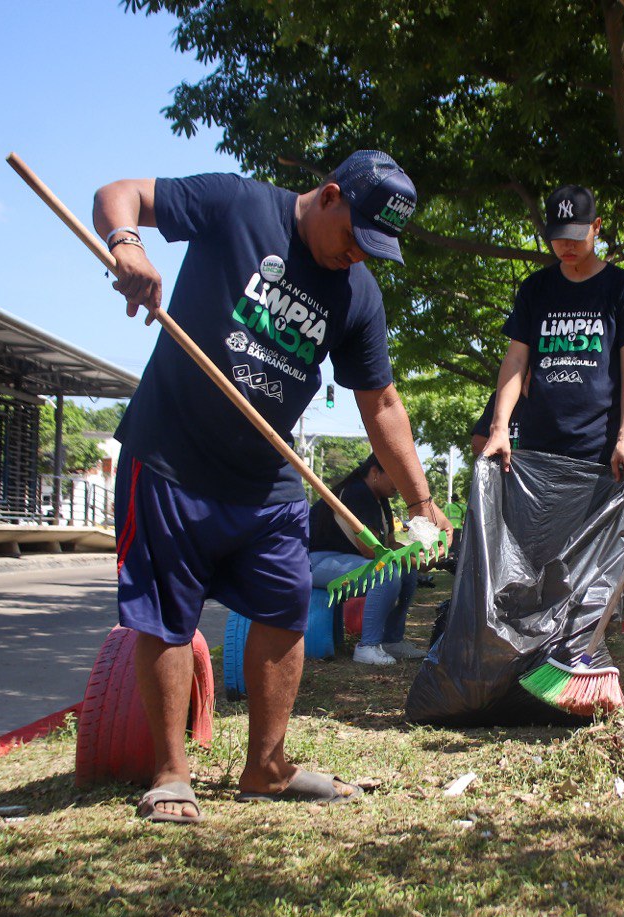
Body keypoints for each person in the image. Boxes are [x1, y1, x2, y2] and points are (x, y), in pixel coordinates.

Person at [94, 150, 450, 822]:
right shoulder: (236, 204)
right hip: (172, 455)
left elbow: (382, 405)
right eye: (354, 236)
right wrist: (128, 246)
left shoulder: (358, 293)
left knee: (286, 605)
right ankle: (172, 773)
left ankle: (266, 767)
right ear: (330, 194)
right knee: (170, 617)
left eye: (374, 248)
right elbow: (120, 193)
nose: (357, 256)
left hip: (267, 474)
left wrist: (421, 501)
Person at [480, 185, 624, 485]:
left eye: (576, 234)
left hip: (600, 453)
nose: (567, 245)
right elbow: (515, 359)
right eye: (559, 236)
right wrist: (499, 428)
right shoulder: (534, 289)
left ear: (596, 227)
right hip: (537, 450)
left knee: (599, 535)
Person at [308, 454, 423, 665]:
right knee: (385, 572)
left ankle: (392, 641)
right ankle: (367, 646)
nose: (401, 485)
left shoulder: (381, 500)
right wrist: (411, 557)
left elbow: (389, 543)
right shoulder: (357, 492)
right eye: (396, 477)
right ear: (374, 472)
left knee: (407, 572)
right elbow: (372, 551)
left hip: (343, 559)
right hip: (315, 561)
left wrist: (416, 554)